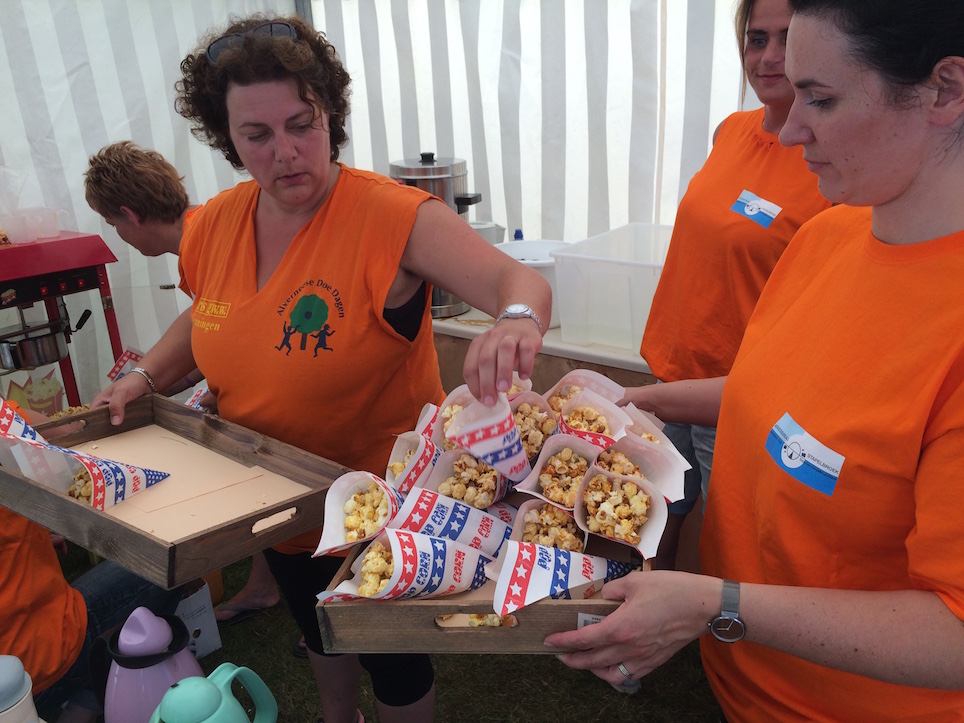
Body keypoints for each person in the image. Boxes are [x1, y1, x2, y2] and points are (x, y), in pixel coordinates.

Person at [92, 13, 550, 723]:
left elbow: (516, 281)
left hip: (383, 508)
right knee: (315, 627)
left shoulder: (392, 216)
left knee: (392, 657)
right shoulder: (214, 224)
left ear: (330, 114)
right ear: (227, 139)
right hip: (274, 496)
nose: (286, 152)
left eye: (302, 124)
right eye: (257, 135)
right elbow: (208, 313)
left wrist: (515, 320)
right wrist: (145, 375)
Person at [546, 1, 964, 718]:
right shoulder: (829, 236)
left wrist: (719, 602)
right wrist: (639, 402)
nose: (791, 129)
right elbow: (781, 394)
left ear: (945, 90)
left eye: (821, 99)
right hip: (743, 681)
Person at [628, 0, 831, 570]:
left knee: (733, 546)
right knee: (650, 518)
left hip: (743, 394)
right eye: (756, 39)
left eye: (788, 39)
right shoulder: (732, 131)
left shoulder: (830, 162)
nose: (769, 57)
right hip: (675, 374)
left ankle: (719, 626)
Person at [85, 141, 288, 630]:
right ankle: (267, 583)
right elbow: (210, 323)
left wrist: (194, 381)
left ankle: (306, 598)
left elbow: (250, 324)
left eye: (112, 224)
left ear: (131, 215)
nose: (118, 235)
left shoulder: (208, 238)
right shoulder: (200, 236)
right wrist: (149, 380)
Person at [0, 401, 182, 723]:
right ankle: (88, 698)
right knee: (167, 561)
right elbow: (73, 432)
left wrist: (33, 529)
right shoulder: (8, 425)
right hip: (33, 668)